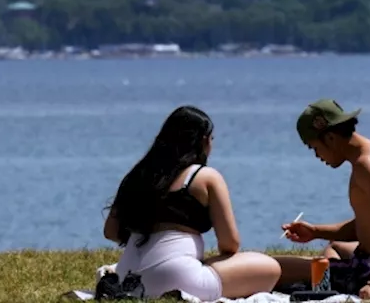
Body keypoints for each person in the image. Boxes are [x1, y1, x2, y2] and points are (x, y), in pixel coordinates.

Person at [103, 105, 280, 301]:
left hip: (126, 276)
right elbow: (230, 244)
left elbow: (110, 232)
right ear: (204, 140)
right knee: (270, 267)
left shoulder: (139, 175)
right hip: (176, 277)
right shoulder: (204, 176)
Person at [273, 99, 370, 300]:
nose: (317, 156)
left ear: (329, 138)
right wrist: (315, 232)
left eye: (314, 148)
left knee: (276, 266)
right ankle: (328, 280)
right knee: (334, 246)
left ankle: (325, 286)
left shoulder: (366, 165)